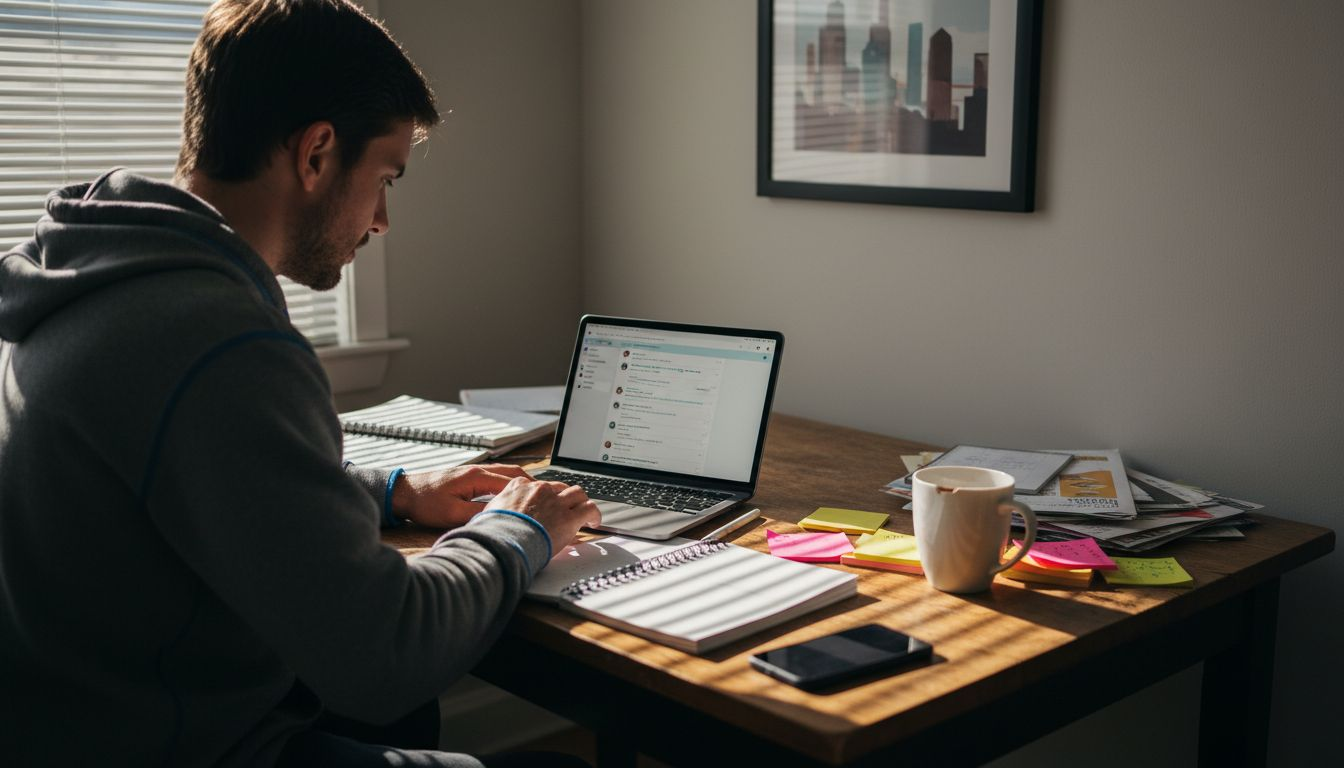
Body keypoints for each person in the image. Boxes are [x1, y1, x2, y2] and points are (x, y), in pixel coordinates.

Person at [0, 1, 598, 766]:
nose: (382, 219)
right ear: (316, 154)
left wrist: (394, 493)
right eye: (384, 177)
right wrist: (522, 528)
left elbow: (213, 484)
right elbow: (386, 654)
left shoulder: (94, 276)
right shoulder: (220, 339)